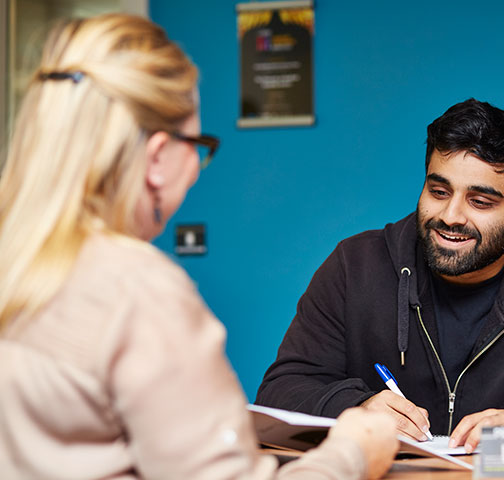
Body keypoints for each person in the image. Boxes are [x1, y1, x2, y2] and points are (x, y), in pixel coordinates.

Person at [0, 14, 398, 480]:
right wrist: (354, 451)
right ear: (156, 159)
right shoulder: (136, 291)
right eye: (198, 143)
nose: (196, 167)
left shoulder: (18, 266)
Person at [256, 99, 504, 453]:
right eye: (439, 191)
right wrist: (357, 408)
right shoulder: (354, 266)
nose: (451, 215)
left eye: (480, 202)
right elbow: (281, 389)